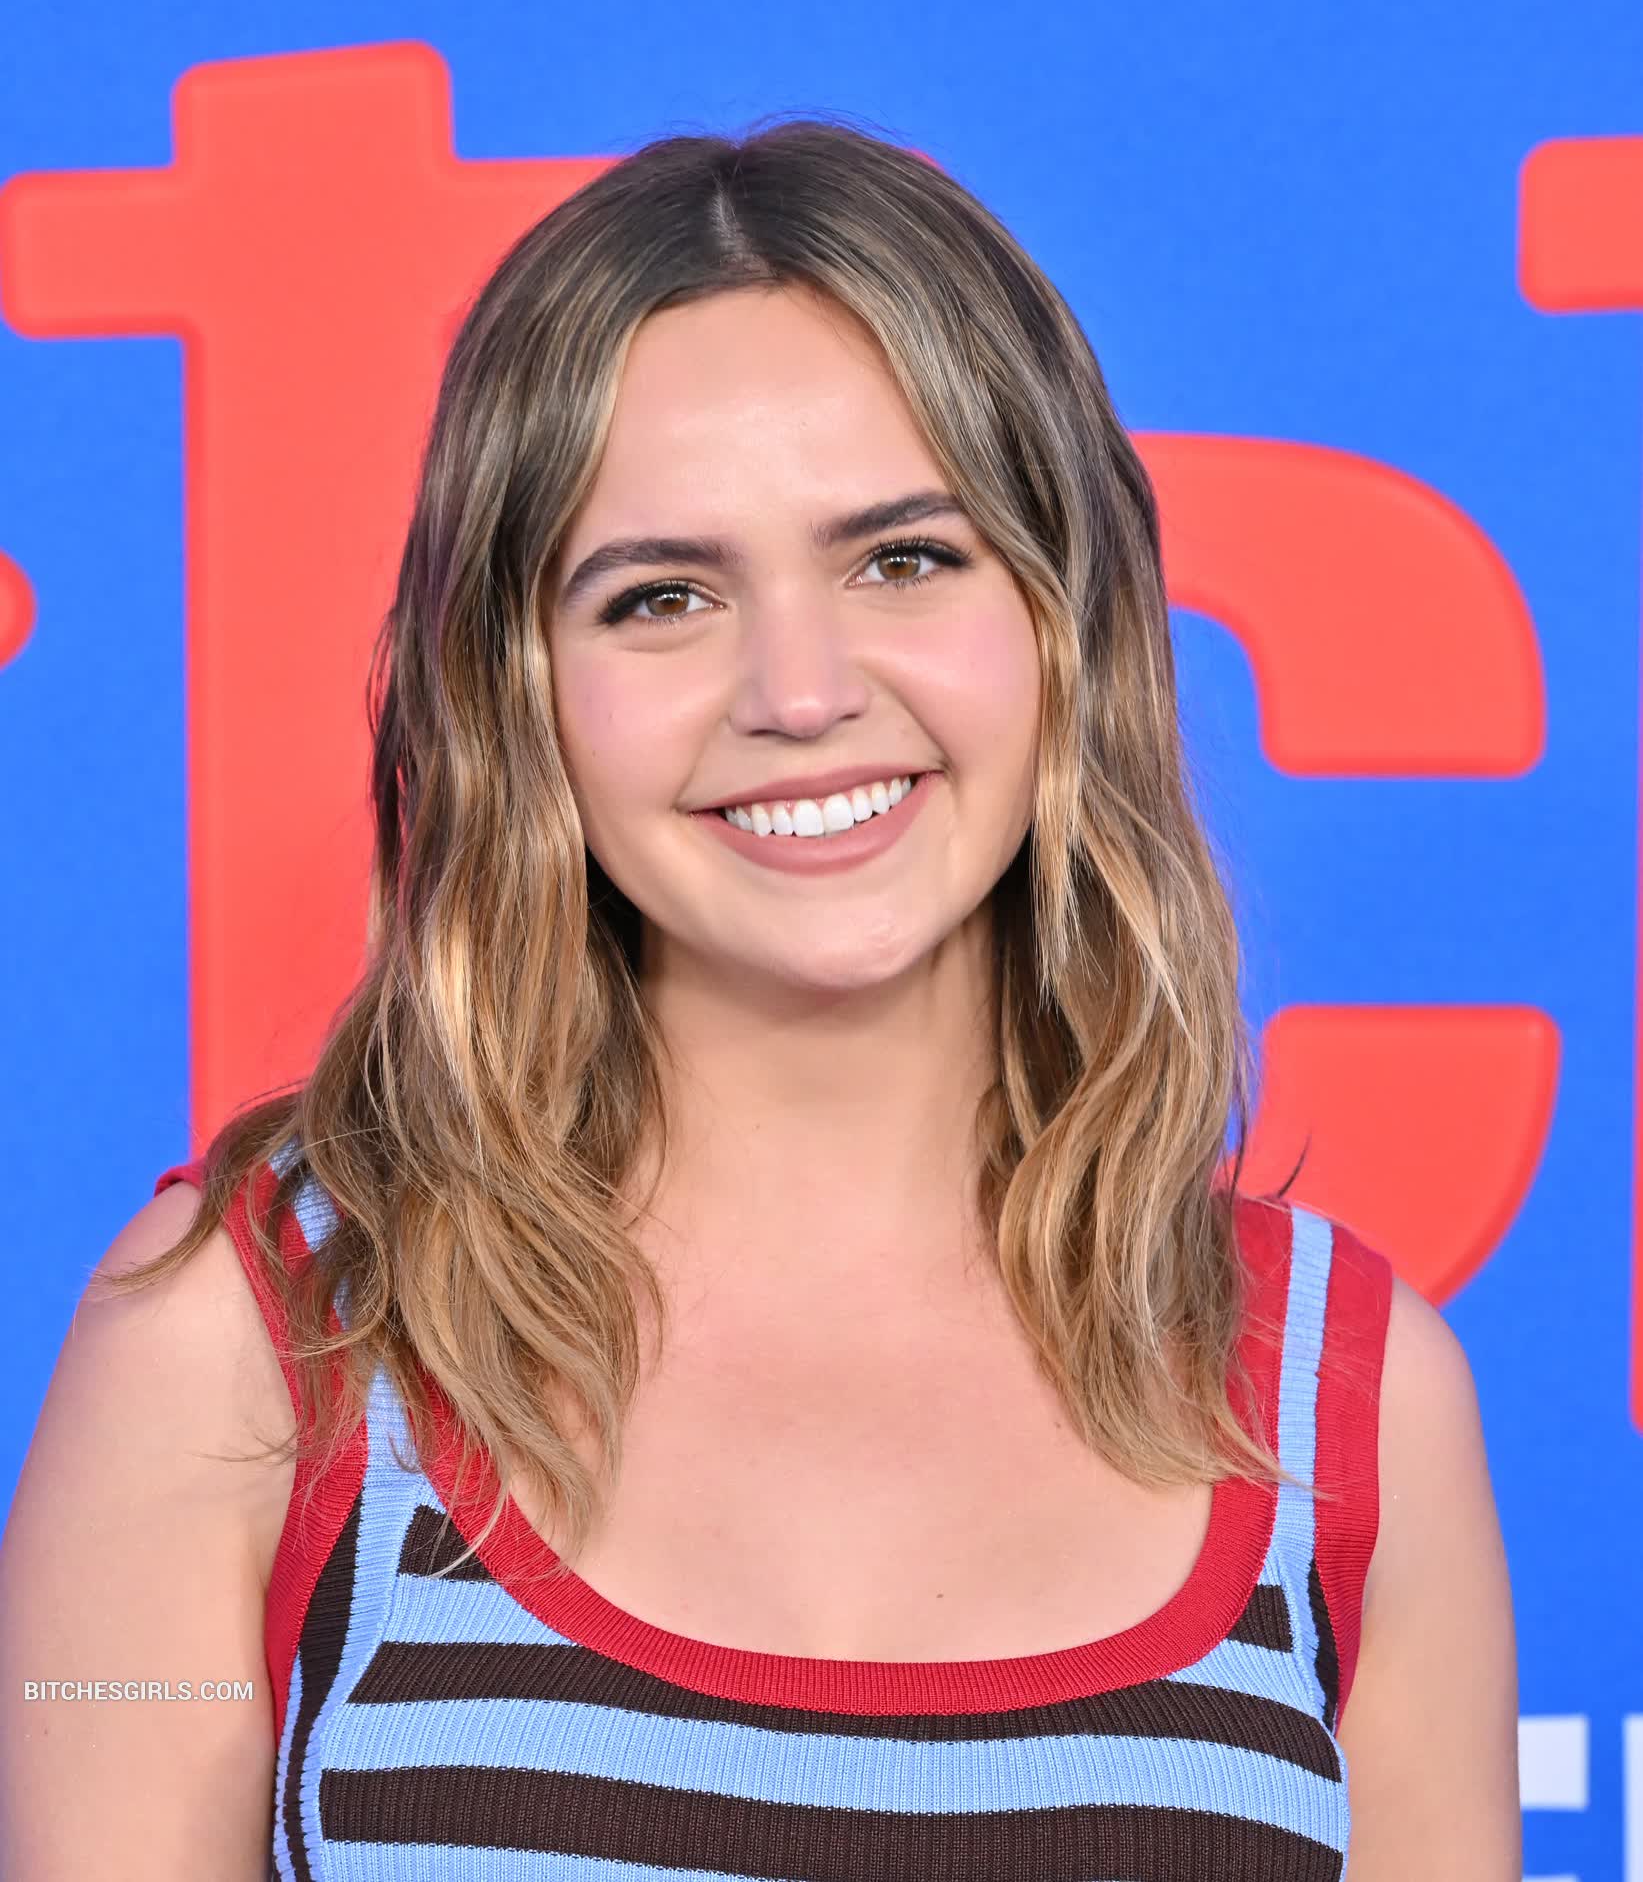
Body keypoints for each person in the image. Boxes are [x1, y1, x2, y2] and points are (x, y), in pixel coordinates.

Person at [0, 115, 1520, 1880]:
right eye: (661, 598)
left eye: (905, 559)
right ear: (513, 696)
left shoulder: (1351, 1402)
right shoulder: (245, 1344)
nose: (798, 692)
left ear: (1070, 621)